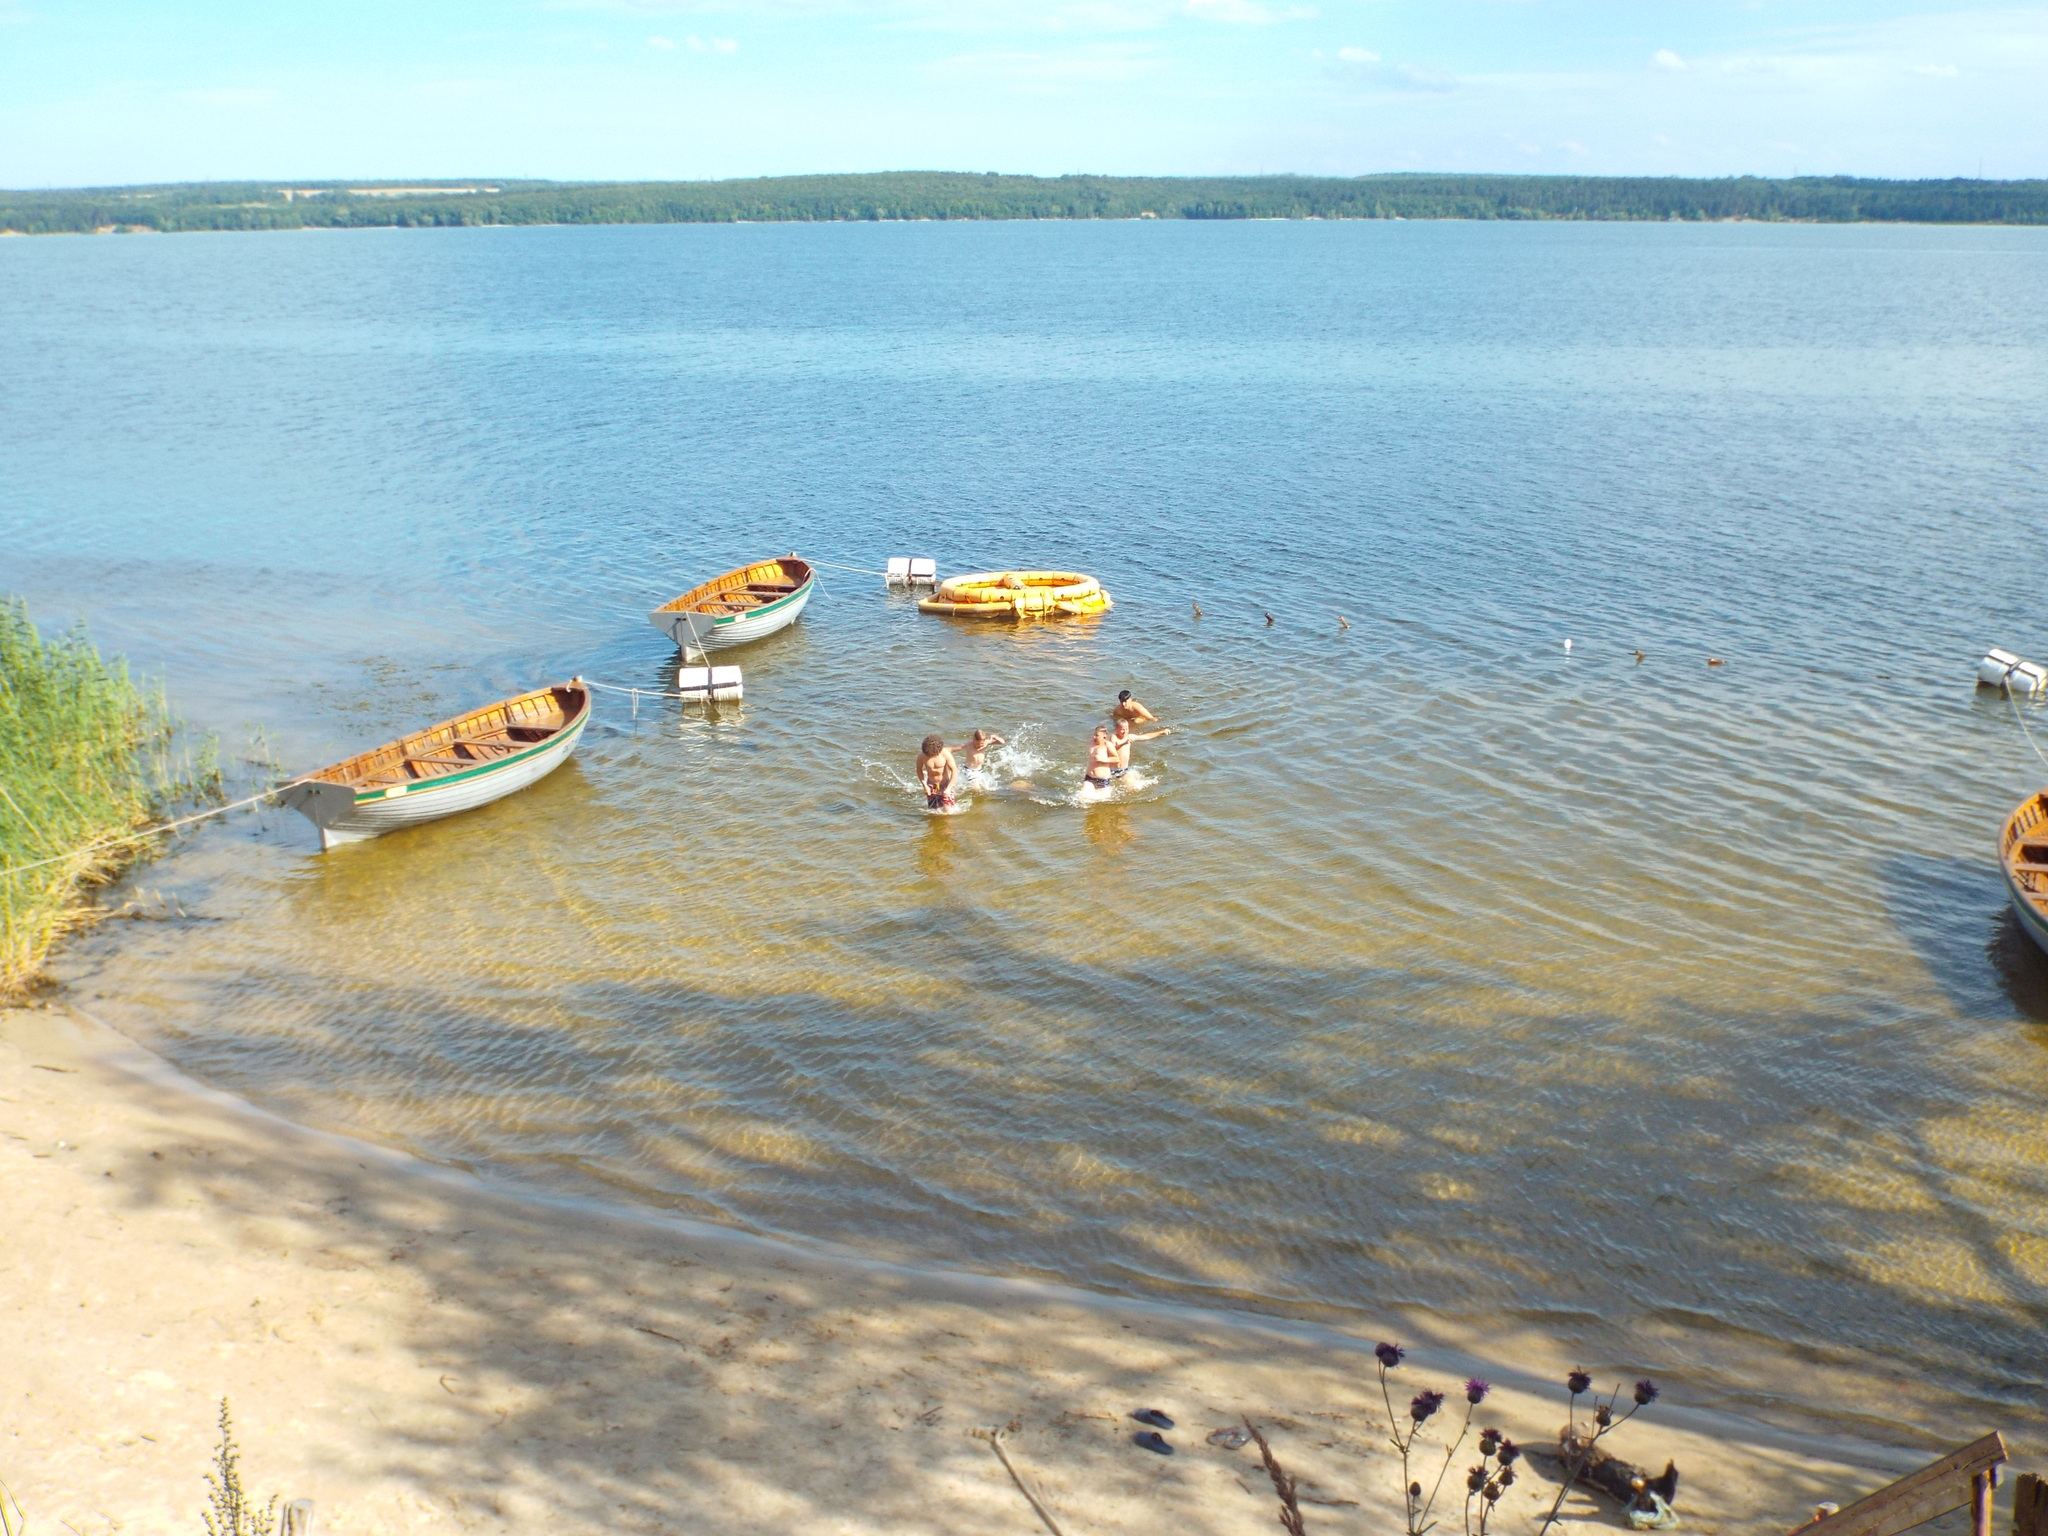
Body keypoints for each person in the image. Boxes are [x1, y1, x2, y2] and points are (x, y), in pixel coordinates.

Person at [916, 733, 958, 812]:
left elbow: (954, 770)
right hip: (931, 785)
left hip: (945, 783)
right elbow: (919, 770)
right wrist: (925, 785)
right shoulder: (922, 756)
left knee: (948, 810)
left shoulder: (945, 754)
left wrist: (948, 789)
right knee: (934, 811)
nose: (930, 756)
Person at [1082, 727, 1119, 793]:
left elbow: (1116, 759)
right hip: (1089, 777)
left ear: (1104, 736)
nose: (1094, 737)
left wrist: (1104, 759)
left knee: (1101, 801)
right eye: (1094, 734)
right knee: (1083, 798)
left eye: (1097, 735)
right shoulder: (1091, 742)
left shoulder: (1107, 744)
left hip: (1102, 779)